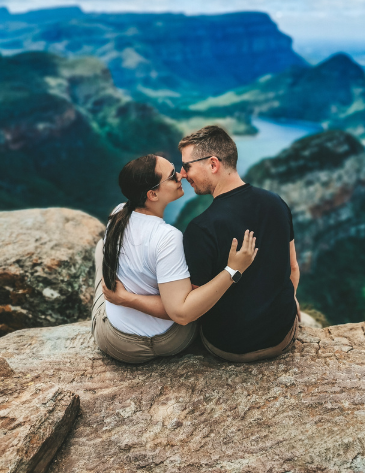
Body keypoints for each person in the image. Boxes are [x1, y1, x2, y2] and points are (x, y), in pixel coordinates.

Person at [105, 126, 301, 363]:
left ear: (213, 164)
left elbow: (189, 309)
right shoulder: (277, 203)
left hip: (227, 347)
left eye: (187, 166)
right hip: (281, 337)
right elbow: (292, 269)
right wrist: (286, 309)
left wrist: (126, 297)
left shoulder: (202, 228)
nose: (183, 175)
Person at [92, 152, 257, 364]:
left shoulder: (118, 214)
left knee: (100, 251)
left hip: (117, 343)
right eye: (172, 175)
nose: (181, 175)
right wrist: (233, 269)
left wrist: (124, 298)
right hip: (171, 341)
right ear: (152, 195)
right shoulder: (168, 237)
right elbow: (180, 313)